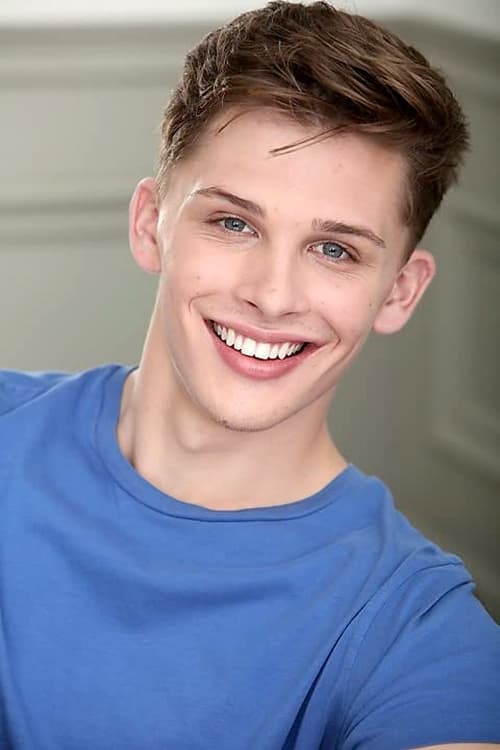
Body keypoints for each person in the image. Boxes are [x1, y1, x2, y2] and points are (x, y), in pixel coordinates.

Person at [0, 2, 499, 748]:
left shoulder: (417, 630)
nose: (272, 295)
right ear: (150, 223)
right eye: (234, 223)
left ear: (400, 291)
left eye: (335, 250)